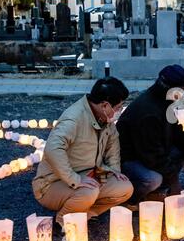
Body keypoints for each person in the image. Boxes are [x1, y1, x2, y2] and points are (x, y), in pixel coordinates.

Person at [32, 77, 133, 228]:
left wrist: (113, 170)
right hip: (52, 183)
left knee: (125, 188)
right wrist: (75, 179)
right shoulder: (74, 119)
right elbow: (53, 148)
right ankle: (62, 222)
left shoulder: (103, 117)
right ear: (105, 105)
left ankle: (85, 214)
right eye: (117, 107)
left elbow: (113, 144)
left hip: (89, 174)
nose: (119, 111)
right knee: (88, 193)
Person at [116, 65, 184, 207]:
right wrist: (174, 181)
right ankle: (129, 200)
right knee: (152, 179)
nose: (183, 94)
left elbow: (176, 130)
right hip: (129, 159)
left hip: (150, 152)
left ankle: (156, 192)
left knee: (181, 152)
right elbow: (152, 156)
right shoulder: (148, 112)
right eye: (182, 90)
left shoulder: (163, 101)